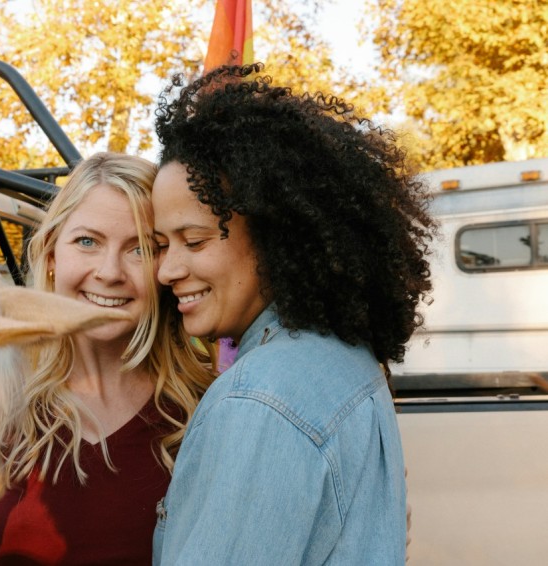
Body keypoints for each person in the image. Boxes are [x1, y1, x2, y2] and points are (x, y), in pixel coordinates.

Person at [150, 64, 435, 564]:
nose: (167, 269)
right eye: (159, 245)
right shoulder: (346, 360)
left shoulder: (259, 399)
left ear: (274, 234)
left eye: (193, 240)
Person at [0, 152, 215, 565]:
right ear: (53, 254)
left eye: (140, 248)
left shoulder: (206, 409)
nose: (109, 272)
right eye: (87, 241)